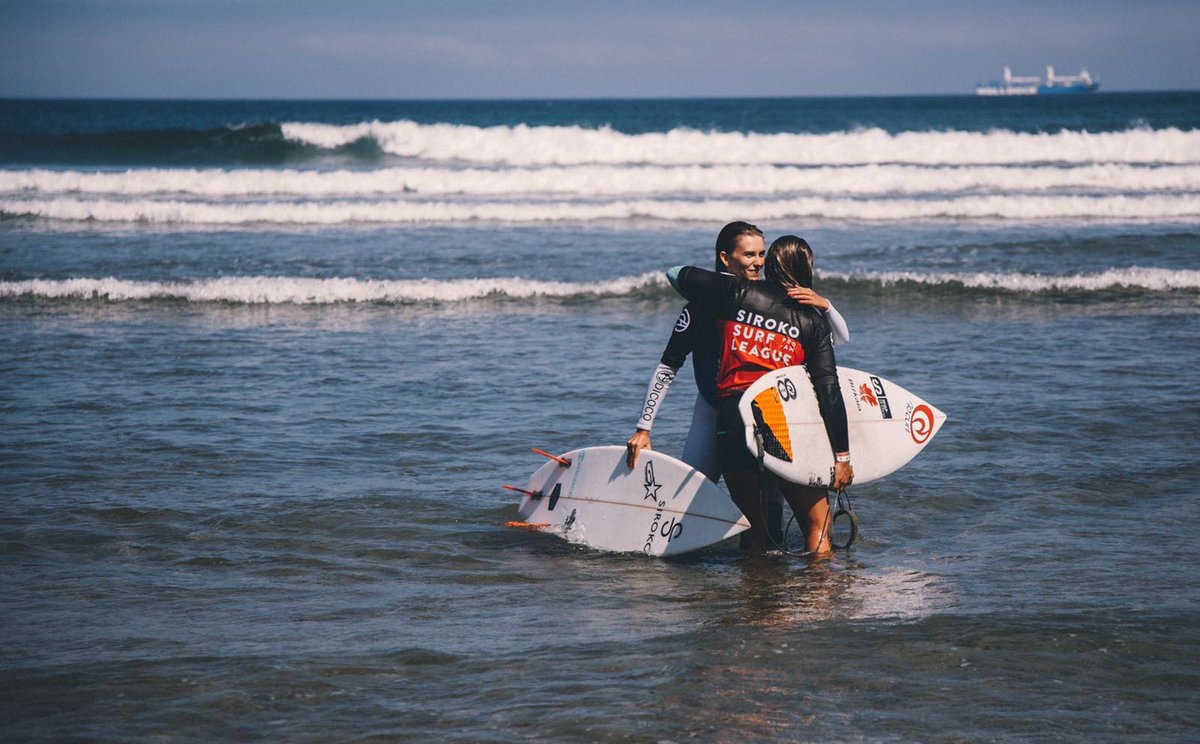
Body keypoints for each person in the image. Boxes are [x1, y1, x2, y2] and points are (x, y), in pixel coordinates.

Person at [625, 222, 849, 546]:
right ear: (725, 258)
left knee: (767, 516)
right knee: (686, 504)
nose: (758, 263)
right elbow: (668, 365)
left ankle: (764, 567)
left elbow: (836, 337)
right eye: (749, 255)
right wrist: (644, 428)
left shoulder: (772, 302)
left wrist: (824, 303)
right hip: (714, 410)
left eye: (762, 254)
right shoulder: (705, 305)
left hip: (758, 412)